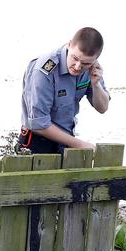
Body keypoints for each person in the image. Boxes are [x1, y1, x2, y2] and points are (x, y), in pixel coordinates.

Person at [18, 27, 111, 155]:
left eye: (85, 63)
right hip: (37, 142)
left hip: (67, 141)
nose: (78, 66)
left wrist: (96, 85)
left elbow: (103, 108)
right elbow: (39, 124)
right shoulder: (44, 70)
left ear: (95, 60)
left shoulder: (91, 68)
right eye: (75, 58)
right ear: (69, 45)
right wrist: (80, 144)